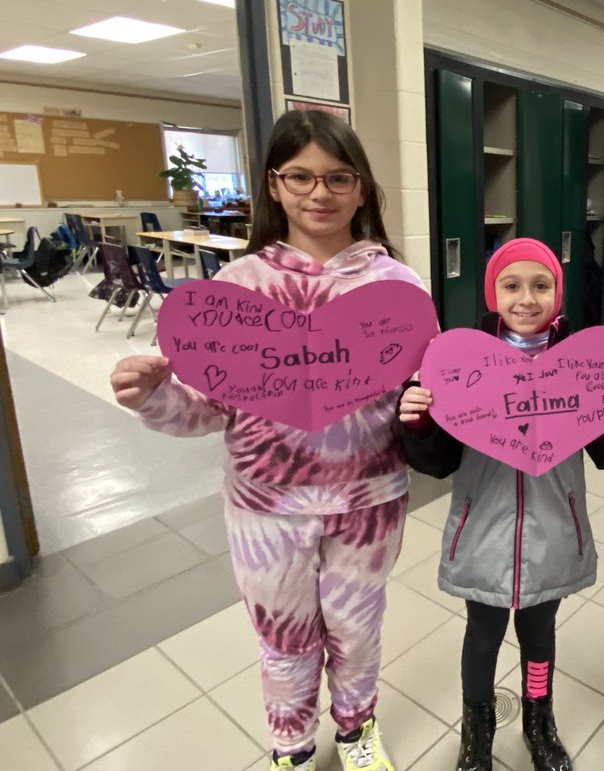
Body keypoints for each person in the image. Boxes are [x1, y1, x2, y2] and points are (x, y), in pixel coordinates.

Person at [111, 110, 423, 771]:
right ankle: (292, 746)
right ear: (275, 186)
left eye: (338, 177)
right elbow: (207, 409)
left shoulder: (396, 287)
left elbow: (419, 396)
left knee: (357, 627)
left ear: (362, 189)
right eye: (300, 177)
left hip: (368, 503)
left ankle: (356, 731)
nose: (319, 193)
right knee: (283, 637)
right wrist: (154, 397)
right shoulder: (239, 286)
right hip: (265, 507)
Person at [398, 237, 604, 771]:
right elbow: (438, 461)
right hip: (483, 533)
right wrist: (420, 419)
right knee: (483, 635)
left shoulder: (582, 363)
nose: (526, 298)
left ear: (557, 294)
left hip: (553, 532)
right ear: (492, 293)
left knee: (540, 635)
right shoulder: (460, 362)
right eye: (511, 285)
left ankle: (539, 717)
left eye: (541, 286)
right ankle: (477, 726)